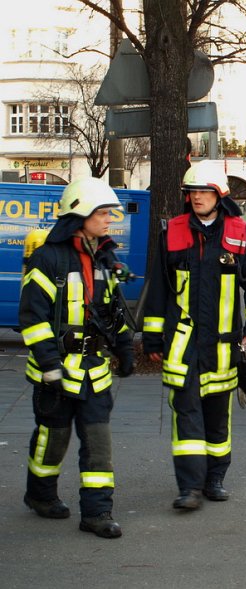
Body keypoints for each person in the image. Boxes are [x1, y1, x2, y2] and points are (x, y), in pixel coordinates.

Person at [142, 160, 246, 511]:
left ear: (219, 195)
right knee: (186, 413)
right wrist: (152, 338)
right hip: (182, 344)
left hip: (224, 345)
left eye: (203, 191)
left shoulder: (241, 234)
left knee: (217, 415)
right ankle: (189, 487)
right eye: (191, 192)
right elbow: (159, 290)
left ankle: (215, 478)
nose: (196, 197)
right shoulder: (173, 232)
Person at [19, 177, 135, 539]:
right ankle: (40, 494)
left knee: (98, 443)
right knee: (52, 441)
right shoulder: (47, 258)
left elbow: (113, 310)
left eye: (108, 213)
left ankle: (98, 512)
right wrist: (50, 364)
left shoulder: (105, 257)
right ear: (79, 214)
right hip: (55, 373)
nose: (108, 220)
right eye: (101, 213)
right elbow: (32, 318)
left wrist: (125, 346)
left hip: (93, 372)